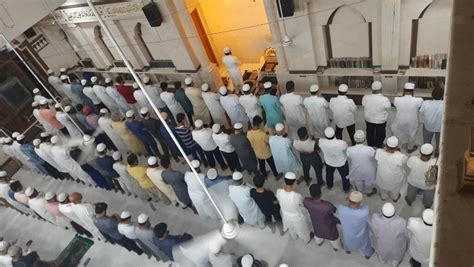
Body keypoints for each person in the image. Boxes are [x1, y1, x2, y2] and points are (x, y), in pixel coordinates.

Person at [276, 172, 312, 243]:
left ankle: (294, 237)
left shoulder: (278, 191)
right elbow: (302, 204)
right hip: (297, 217)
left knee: (290, 228)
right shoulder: (297, 196)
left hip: (285, 214)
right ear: (294, 182)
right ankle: (306, 240)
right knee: (302, 229)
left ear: (284, 180)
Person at [303, 184, 341, 250]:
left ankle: (319, 243)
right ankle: (336, 247)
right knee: (334, 238)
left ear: (310, 194)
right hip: (328, 227)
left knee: (318, 235)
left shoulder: (306, 201)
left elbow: (306, 202)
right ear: (321, 194)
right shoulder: (327, 206)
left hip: (316, 226)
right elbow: (334, 211)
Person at [337, 191, 373, 259]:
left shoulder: (341, 209)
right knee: (365, 243)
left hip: (348, 233)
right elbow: (364, 206)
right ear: (359, 202)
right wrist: (355, 202)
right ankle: (367, 254)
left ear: (349, 200)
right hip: (361, 234)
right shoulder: (364, 212)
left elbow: (339, 211)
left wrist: (350, 202)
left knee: (347, 241)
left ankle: (348, 250)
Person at [391, 82, 424, 153]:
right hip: (412, 121)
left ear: (403, 90)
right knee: (412, 134)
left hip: (400, 120)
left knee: (398, 133)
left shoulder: (396, 99)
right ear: (413, 90)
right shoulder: (419, 100)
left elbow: (396, 104)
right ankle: (410, 148)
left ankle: (398, 147)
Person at [375, 136, 407, 201]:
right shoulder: (400, 156)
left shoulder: (379, 152)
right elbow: (404, 161)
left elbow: (377, 157)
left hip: (382, 178)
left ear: (386, 145)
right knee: (395, 190)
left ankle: (383, 197)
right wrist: (398, 152)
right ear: (397, 147)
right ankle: (395, 198)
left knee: (383, 189)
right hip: (395, 180)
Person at [319, 127, 351, 192]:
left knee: (329, 174)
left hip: (329, 162)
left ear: (325, 135)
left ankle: (329, 185)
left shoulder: (321, 141)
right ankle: (346, 188)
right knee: (345, 176)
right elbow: (346, 149)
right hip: (341, 163)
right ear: (334, 134)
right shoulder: (341, 143)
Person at [346, 130, 377, 196]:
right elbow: (373, 156)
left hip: (356, 169)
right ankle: (369, 192)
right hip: (368, 169)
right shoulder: (369, 149)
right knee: (368, 181)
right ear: (364, 139)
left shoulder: (349, 149)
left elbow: (348, 155)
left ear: (354, 139)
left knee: (358, 180)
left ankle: (359, 190)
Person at [405, 144, 437, 208]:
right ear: (431, 154)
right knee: (429, 196)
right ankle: (427, 205)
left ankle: (409, 201)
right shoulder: (435, 162)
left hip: (413, 182)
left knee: (410, 193)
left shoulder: (413, 159)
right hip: (427, 185)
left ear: (420, 152)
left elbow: (408, 165)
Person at [362, 81, 391, 147]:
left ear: (372, 89)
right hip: (380, 120)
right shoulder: (385, 99)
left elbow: (363, 105)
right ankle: (379, 144)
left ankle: (370, 144)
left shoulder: (365, 97)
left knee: (369, 132)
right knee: (380, 133)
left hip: (369, 119)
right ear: (381, 89)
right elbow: (388, 108)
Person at [420, 85, 444, 155]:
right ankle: (437, 155)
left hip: (428, 126)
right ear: (443, 95)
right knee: (439, 144)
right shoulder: (445, 104)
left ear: (432, 95)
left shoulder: (425, 103)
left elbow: (421, 113)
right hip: (440, 128)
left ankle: (426, 155)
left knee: (426, 143)